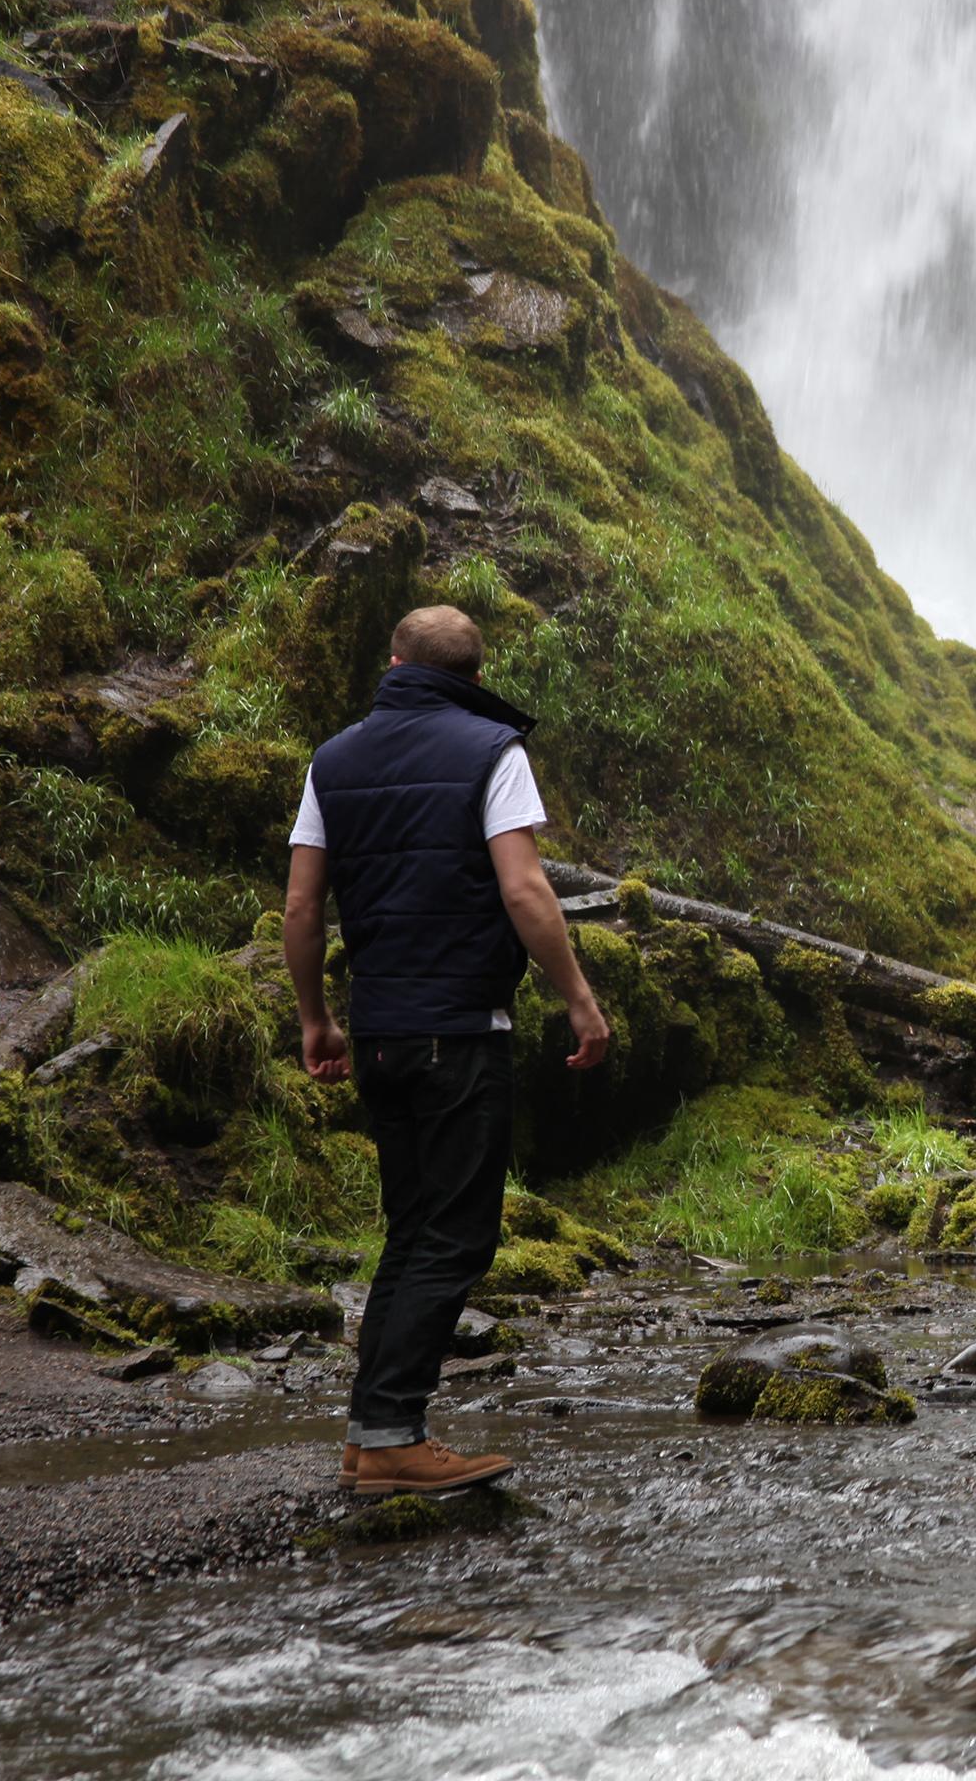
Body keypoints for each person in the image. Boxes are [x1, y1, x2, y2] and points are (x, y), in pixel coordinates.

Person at [281, 605, 611, 1498]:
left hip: (380, 1032)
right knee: (456, 1236)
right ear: (473, 677)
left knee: (412, 1229)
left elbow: (303, 908)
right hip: (461, 1031)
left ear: (394, 663)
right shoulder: (491, 750)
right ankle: (392, 1434)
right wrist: (579, 1000)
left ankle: (369, 1434)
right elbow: (525, 889)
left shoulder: (333, 758)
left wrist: (317, 1018)